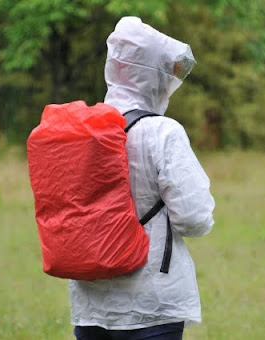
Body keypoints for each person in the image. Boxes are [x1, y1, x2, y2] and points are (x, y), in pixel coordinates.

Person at [69, 16, 215, 340]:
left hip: (90, 306)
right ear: (153, 74)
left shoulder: (82, 129)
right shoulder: (162, 132)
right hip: (152, 307)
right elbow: (195, 218)